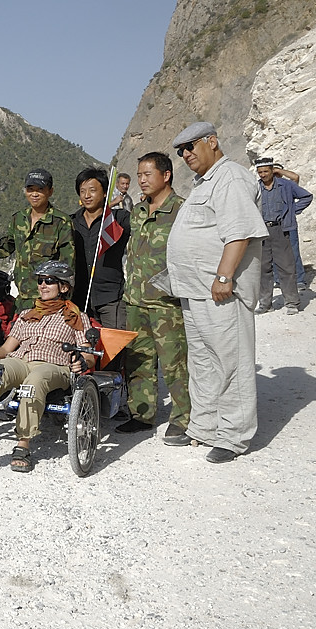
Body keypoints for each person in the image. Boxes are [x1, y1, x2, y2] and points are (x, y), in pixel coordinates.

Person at [166, 122, 268, 463]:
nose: (186, 155)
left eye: (191, 147)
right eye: (181, 151)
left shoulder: (231, 177)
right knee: (204, 361)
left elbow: (239, 232)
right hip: (196, 290)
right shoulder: (204, 183)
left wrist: (224, 278)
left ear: (212, 142)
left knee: (231, 360)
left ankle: (234, 436)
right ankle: (205, 427)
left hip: (220, 290)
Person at [0, 260, 94, 473]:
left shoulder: (76, 317)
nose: (42, 286)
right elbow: (4, 350)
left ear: (64, 287)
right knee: (1, 370)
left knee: (34, 381)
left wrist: (83, 362)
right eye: (40, 281)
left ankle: (23, 443)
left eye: (49, 281)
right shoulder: (27, 315)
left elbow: (88, 353)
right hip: (21, 360)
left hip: (54, 366)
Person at [119, 152, 190, 440]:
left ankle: (183, 418)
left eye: (148, 174)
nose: (142, 180)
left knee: (175, 363)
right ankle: (142, 413)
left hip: (166, 304)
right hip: (136, 300)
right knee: (139, 360)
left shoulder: (182, 210)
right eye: (139, 175)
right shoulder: (137, 211)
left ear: (166, 175)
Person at [0, 169, 75, 313]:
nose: (34, 194)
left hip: (47, 300)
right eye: (30, 189)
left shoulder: (61, 222)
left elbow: (68, 265)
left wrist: (64, 300)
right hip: (21, 298)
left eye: (40, 189)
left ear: (50, 192)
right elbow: (7, 246)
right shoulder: (19, 219)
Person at [70, 167, 131, 329]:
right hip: (79, 299)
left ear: (105, 193)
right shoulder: (71, 222)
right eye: (82, 191)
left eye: (92, 190)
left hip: (111, 298)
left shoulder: (119, 219)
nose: (87, 196)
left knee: (115, 348)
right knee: (82, 350)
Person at [253, 157, 312, 313]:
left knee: (286, 266)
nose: (263, 175)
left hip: (282, 229)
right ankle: (265, 304)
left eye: (266, 171)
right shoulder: (255, 188)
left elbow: (307, 196)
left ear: (273, 170)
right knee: (264, 268)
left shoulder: (286, 185)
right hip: (262, 231)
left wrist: (292, 211)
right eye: (260, 172)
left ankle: (292, 303)